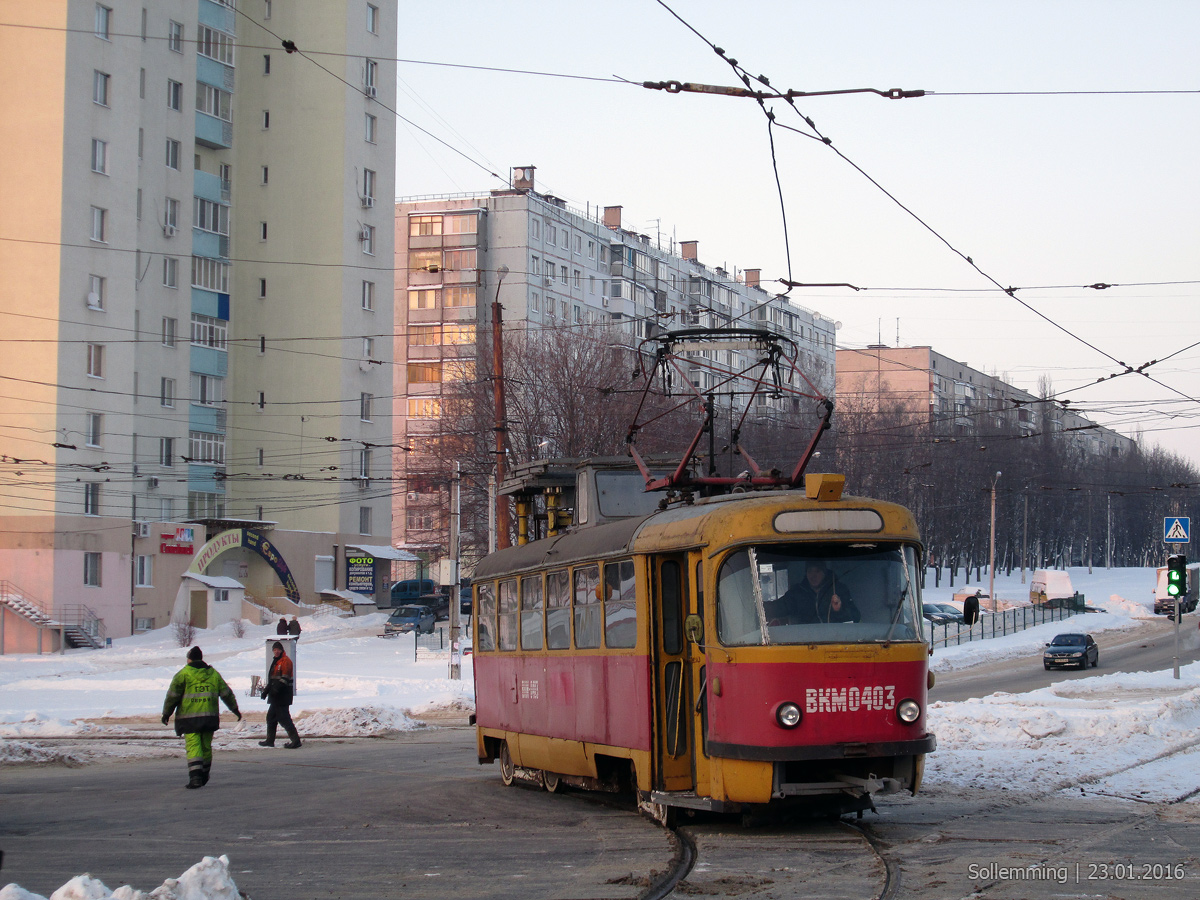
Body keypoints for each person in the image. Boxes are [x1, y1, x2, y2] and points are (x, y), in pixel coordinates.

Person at [161, 646, 241, 789]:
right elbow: (226, 693)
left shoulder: (183, 674)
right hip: (209, 718)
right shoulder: (213, 674)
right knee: (206, 746)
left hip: (189, 719)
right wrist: (235, 709)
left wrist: (166, 713)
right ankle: (204, 773)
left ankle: (195, 777)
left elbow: (172, 696)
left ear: (189, 659)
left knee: (193, 746)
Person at [771, 561, 860, 624]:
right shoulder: (797, 592)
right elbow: (778, 608)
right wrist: (757, 609)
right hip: (805, 642)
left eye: (817, 571)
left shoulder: (838, 590)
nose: (813, 576)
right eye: (810, 571)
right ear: (806, 573)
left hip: (834, 641)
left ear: (824, 573)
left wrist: (839, 609)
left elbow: (855, 617)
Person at [259, 641, 302, 749]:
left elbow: (285, 678)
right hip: (275, 696)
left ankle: (296, 741)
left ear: (282, 650)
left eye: (278, 649)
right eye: (274, 650)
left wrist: (275, 690)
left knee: (284, 718)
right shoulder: (276, 662)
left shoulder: (286, 661)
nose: (276, 651)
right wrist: (266, 691)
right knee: (271, 717)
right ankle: (270, 740)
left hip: (282, 696)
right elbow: (272, 679)